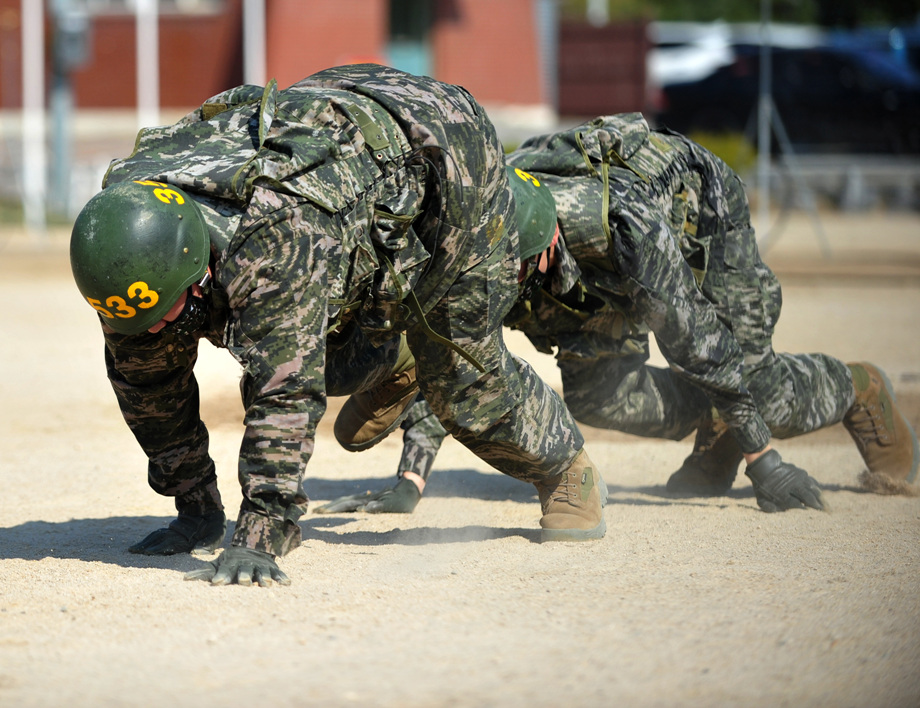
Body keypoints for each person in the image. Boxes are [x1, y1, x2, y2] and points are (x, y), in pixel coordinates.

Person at [69, 65, 606, 588]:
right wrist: (196, 511)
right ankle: (395, 362)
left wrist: (259, 533)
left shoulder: (273, 239)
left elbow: (285, 393)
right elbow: (148, 387)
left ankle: (564, 470)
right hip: (340, 144)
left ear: (199, 261)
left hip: (443, 146)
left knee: (459, 370)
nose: (158, 325)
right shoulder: (125, 244)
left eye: (168, 308)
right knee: (171, 353)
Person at [321, 115, 918, 515]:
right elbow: (452, 353)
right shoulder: (483, 233)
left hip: (695, 223)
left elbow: (697, 339)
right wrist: (411, 483)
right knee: (601, 399)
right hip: (595, 283)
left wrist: (766, 460)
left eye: (521, 270)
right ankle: (720, 430)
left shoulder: (622, 223)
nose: (509, 282)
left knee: (755, 388)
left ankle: (859, 389)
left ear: (548, 243)